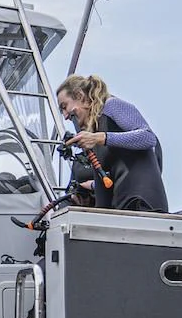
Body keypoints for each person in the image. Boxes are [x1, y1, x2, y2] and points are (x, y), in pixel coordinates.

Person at [56, 73, 169, 213]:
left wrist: (101, 138)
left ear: (79, 96)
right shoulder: (94, 133)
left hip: (142, 205)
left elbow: (148, 137)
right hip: (121, 210)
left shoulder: (111, 106)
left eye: (65, 106)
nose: (66, 116)